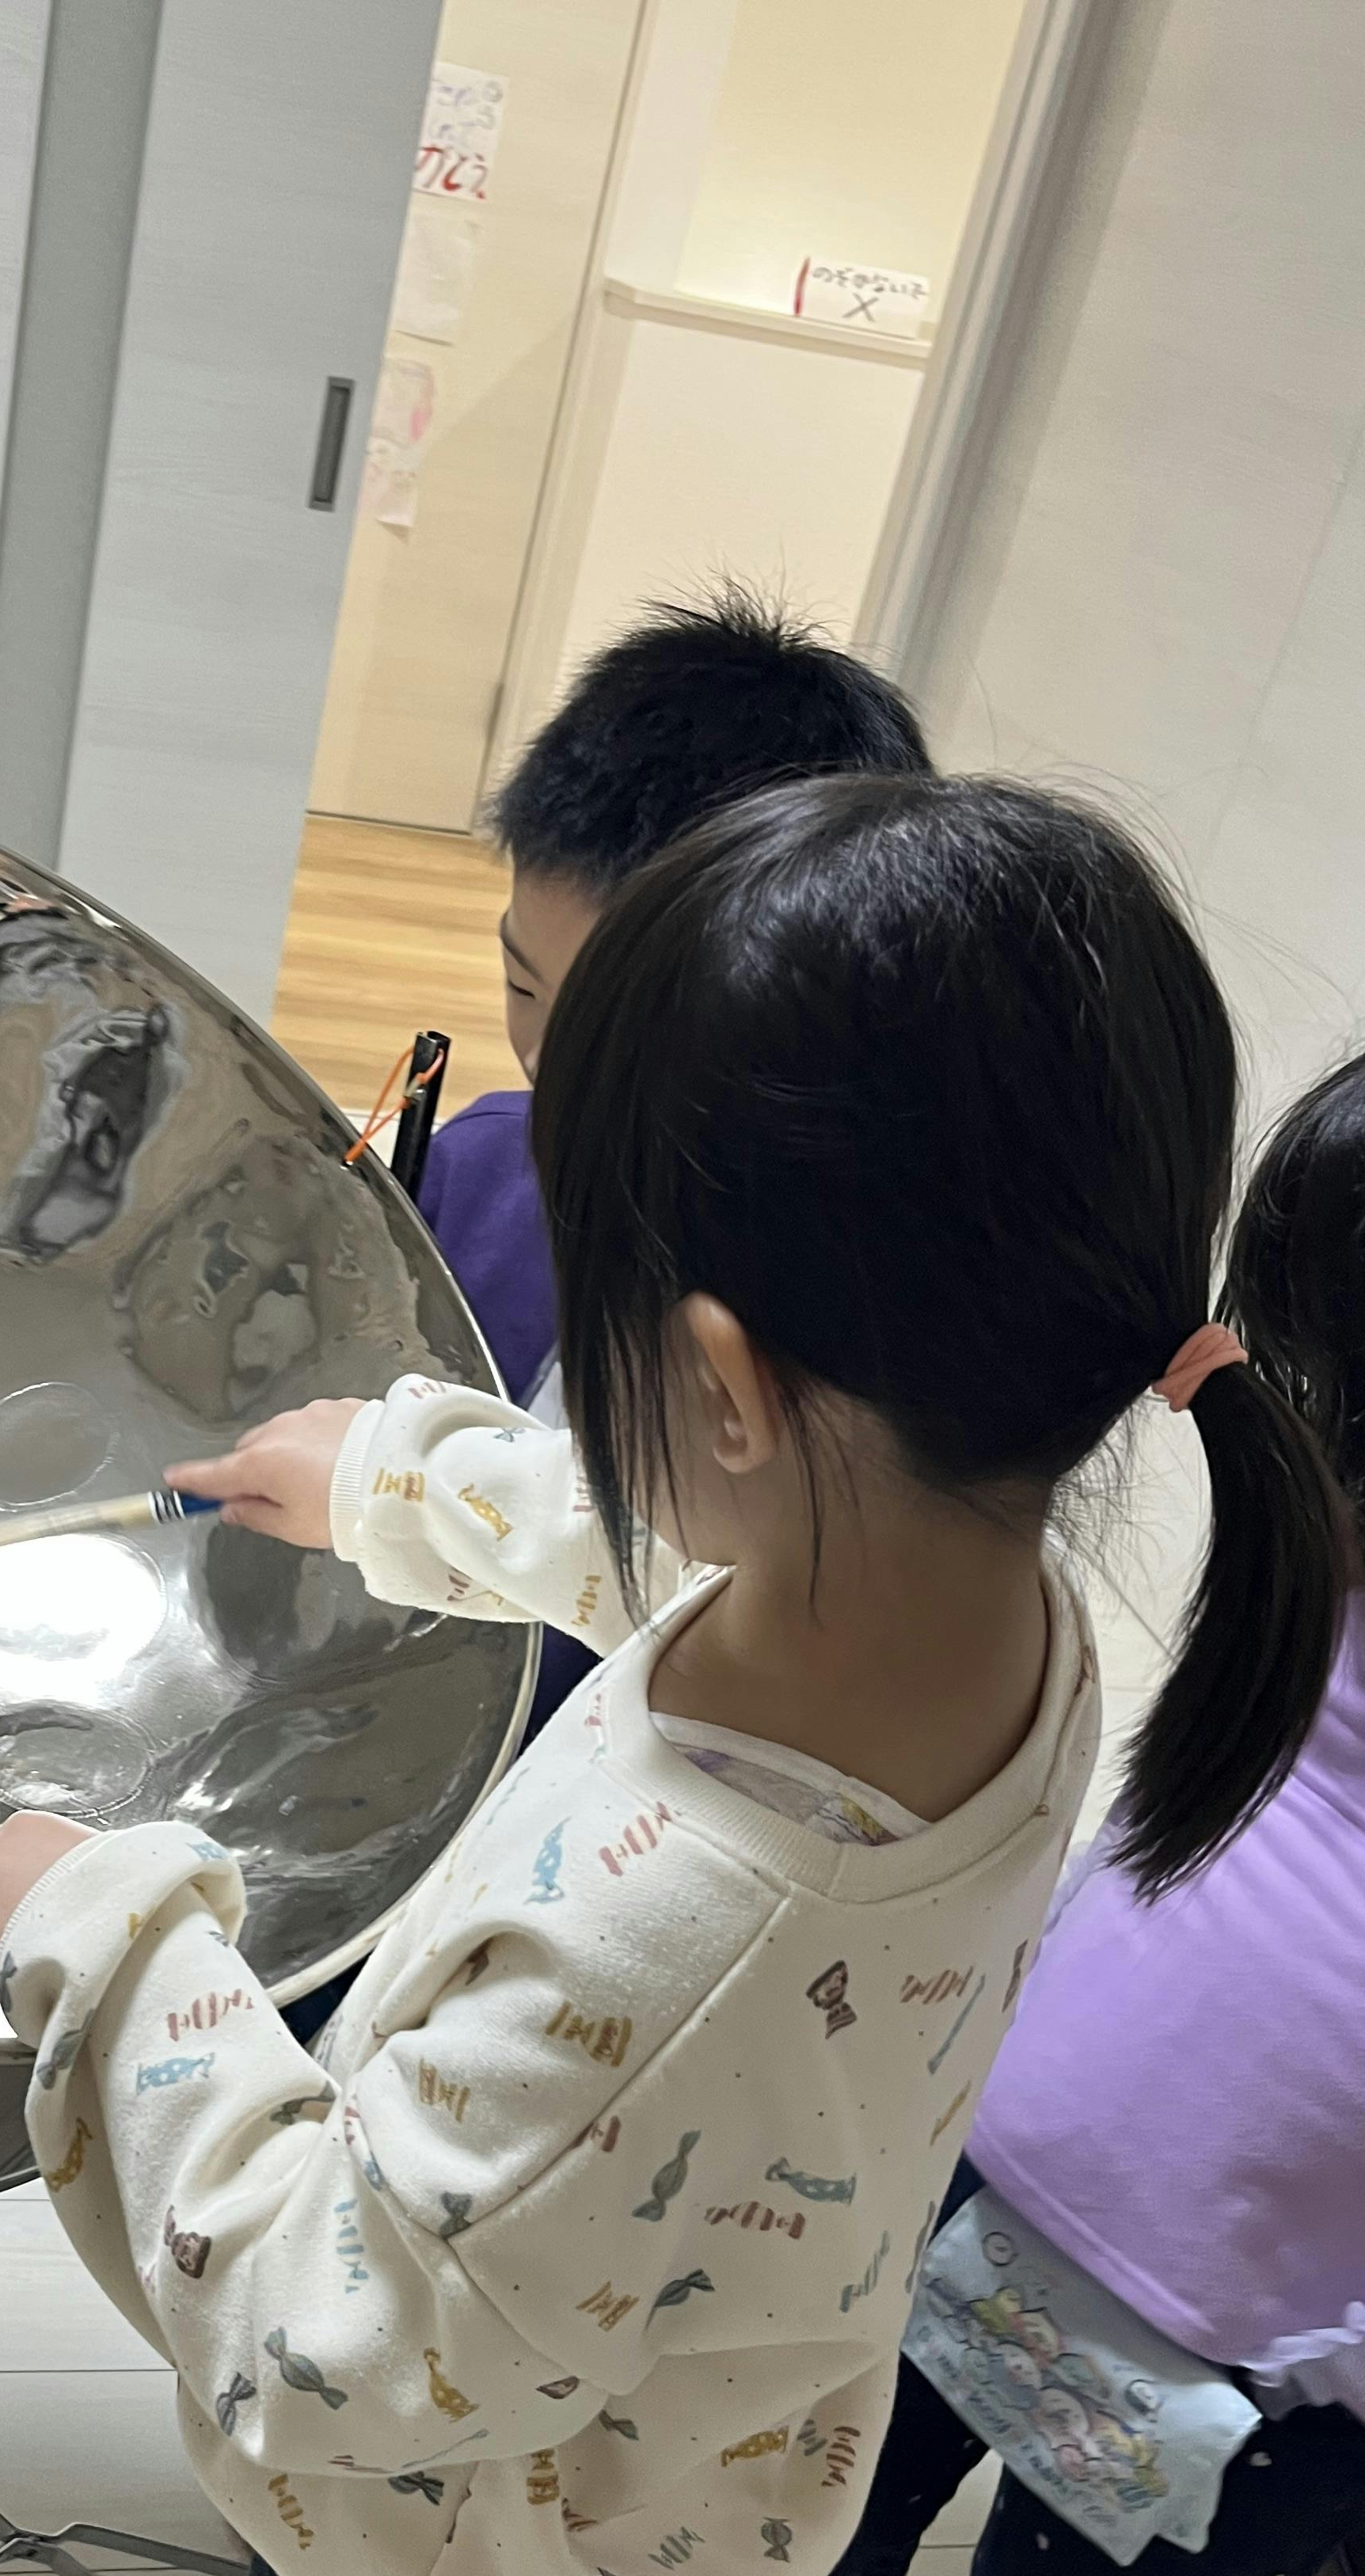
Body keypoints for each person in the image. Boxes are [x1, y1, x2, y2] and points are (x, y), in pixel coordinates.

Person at [0, 774, 1347, 2576]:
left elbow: (324, 2325)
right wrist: (407, 1485)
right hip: (674, 2490)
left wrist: (109, 1931)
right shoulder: (995, 1620)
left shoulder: (685, 1930)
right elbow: (695, 1564)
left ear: (720, 1382)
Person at [613, 974, 1365, 2576]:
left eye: (1358, 1372)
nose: (1306, 1413)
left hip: (1261, 2353)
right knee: (814, 2486)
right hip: (969, 2165)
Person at [419, 591, 932, 1744]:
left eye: (624, 1036)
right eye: (522, 987)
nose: (556, 1071)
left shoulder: (841, 1360)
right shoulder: (483, 1168)